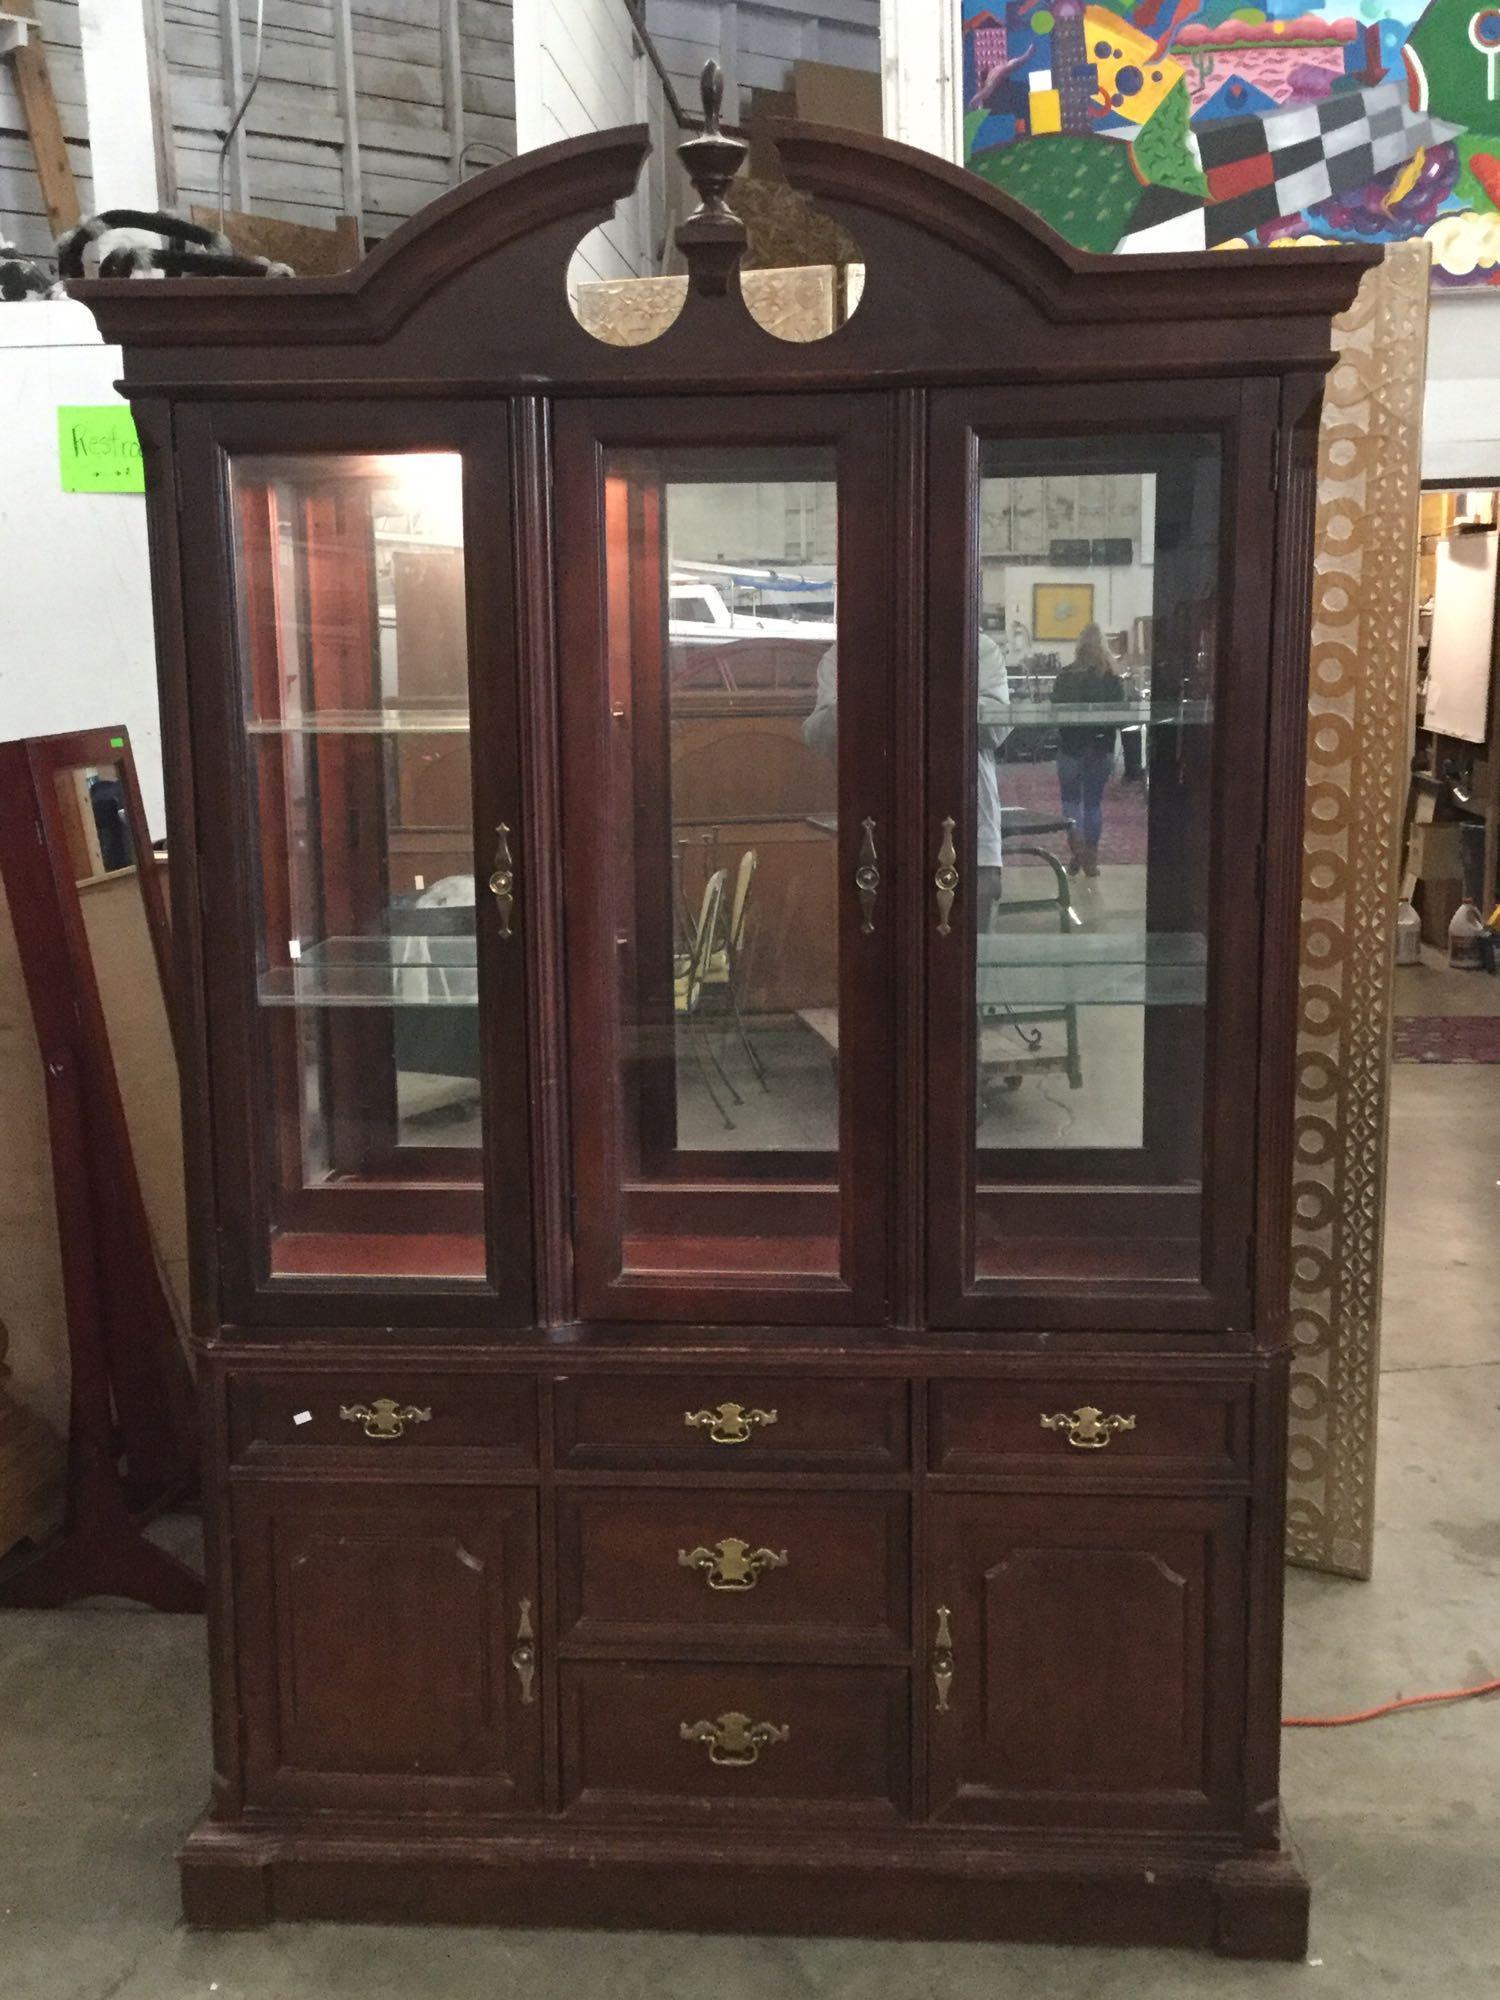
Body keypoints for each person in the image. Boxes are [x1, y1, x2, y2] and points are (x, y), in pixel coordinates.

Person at [804, 632, 1012, 923]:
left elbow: (996, 730)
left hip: (967, 836)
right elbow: (821, 737)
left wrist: (924, 695)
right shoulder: (847, 652)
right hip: (877, 837)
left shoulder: (978, 648)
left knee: (965, 957)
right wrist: (868, 699)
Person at [1050, 622, 1123, 878]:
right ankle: (1089, 859)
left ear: (1079, 645)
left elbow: (1055, 711)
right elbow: (1120, 718)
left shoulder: (1066, 675)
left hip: (1070, 748)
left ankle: (1077, 853)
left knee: (1070, 802)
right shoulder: (1112, 678)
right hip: (1100, 749)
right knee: (1093, 804)